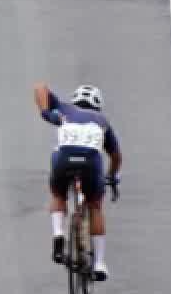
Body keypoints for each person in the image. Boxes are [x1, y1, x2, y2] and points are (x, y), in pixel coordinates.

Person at [34, 82, 120, 280]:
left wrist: (46, 113)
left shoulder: (65, 109)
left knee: (58, 194)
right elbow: (116, 157)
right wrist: (112, 176)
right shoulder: (102, 120)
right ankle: (98, 263)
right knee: (95, 206)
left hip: (64, 160)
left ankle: (58, 234)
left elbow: (40, 87)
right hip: (91, 162)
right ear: (98, 105)